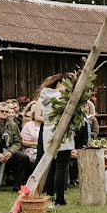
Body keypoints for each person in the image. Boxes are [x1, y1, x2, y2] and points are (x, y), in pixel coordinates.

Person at [37, 76, 78, 205]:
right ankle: (60, 198)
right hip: (62, 134)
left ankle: (49, 195)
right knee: (62, 167)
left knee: (51, 167)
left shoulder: (45, 96)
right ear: (59, 83)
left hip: (48, 133)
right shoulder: (63, 97)